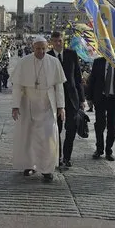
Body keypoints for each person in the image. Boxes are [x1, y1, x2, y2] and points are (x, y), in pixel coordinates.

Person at [10, 36, 66, 182]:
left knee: (48, 137)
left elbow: (59, 86)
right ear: (33, 47)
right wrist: (15, 106)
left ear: (47, 48)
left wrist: (61, 107)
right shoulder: (24, 62)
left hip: (47, 103)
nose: (41, 51)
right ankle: (29, 165)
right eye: (38, 48)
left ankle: (47, 169)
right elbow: (17, 86)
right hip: (28, 102)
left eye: (43, 48)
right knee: (29, 136)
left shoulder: (54, 62)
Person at [47, 31, 84, 168]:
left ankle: (67, 157)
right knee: (56, 129)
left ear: (63, 41)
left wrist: (82, 99)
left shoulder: (72, 54)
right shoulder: (48, 56)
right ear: (51, 42)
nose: (58, 43)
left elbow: (78, 78)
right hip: (55, 99)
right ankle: (58, 156)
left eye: (60, 41)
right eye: (55, 41)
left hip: (71, 98)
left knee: (71, 129)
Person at [86, 57, 115, 161]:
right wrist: (88, 97)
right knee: (99, 125)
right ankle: (99, 149)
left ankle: (109, 151)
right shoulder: (98, 61)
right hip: (100, 98)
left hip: (113, 100)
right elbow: (92, 79)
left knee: (112, 126)